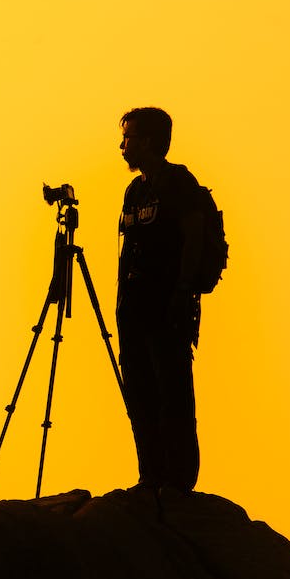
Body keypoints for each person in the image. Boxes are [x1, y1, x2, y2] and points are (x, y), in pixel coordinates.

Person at [116, 107, 204, 493]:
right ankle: (150, 475)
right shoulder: (135, 191)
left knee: (172, 396)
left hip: (167, 308)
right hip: (134, 311)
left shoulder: (178, 183)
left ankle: (178, 481)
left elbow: (196, 239)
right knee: (139, 394)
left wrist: (183, 293)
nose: (122, 146)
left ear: (149, 142)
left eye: (129, 138)